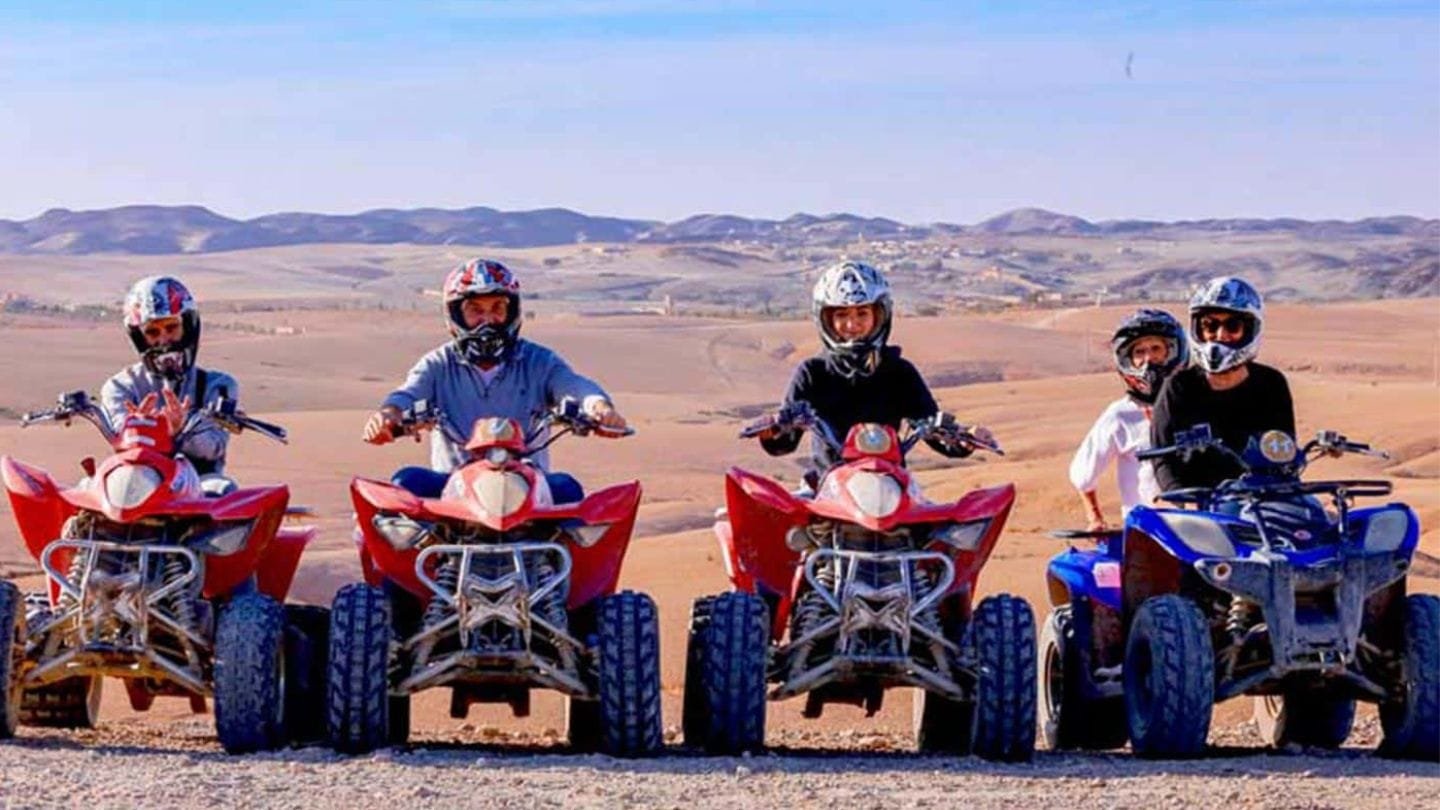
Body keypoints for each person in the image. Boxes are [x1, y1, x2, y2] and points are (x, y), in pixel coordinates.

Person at [362, 258, 626, 503]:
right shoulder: (439, 364)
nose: (487, 320)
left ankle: (562, 556)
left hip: (529, 487)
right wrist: (388, 416)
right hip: (454, 489)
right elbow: (408, 394)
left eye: (498, 308)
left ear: (512, 312)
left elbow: (574, 385)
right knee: (404, 485)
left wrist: (600, 409)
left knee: (568, 490)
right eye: (475, 310)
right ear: (455, 315)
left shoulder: (538, 361)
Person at [755, 260, 991, 486]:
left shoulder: (900, 371)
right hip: (828, 485)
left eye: (862, 313)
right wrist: (772, 431)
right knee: (790, 525)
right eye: (841, 315)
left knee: (939, 525)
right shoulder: (812, 372)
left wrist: (964, 439)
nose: (852, 323)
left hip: (889, 483)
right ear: (825, 319)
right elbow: (784, 443)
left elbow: (931, 425)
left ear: (880, 315)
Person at [1150, 276, 1295, 492]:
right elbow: (1162, 458)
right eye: (1210, 325)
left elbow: (1284, 449)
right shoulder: (1179, 387)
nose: (1220, 335)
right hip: (1202, 507)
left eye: (1232, 325)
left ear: (1249, 329)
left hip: (1261, 500)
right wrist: (1182, 500)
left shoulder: (1271, 384)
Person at [101, 276, 240, 488]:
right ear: (139, 337)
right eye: (152, 332)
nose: (164, 340)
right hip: (137, 482)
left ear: (188, 326)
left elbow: (214, 447)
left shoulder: (218, 385)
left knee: (222, 490)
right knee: (85, 491)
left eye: (171, 327)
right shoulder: (119, 388)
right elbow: (121, 436)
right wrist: (141, 430)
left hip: (196, 485)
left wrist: (179, 428)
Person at [1069, 309, 1187, 530]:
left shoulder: (1197, 405)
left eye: (1156, 349)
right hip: (1146, 532)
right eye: (1139, 352)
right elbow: (1083, 475)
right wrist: (1094, 518)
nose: (1148, 359)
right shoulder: (1120, 416)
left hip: (1202, 526)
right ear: (1128, 361)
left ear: (1172, 352)